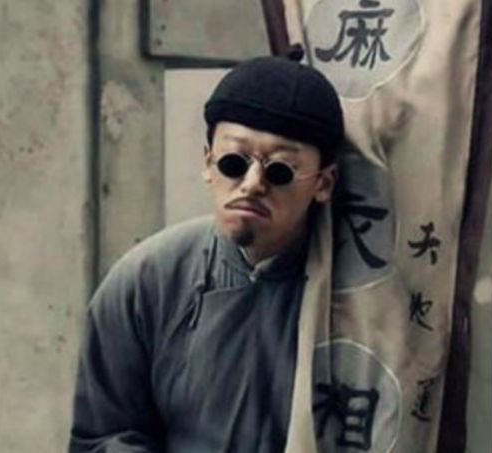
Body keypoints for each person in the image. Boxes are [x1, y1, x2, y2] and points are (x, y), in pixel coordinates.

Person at [68, 55, 344, 453]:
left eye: (280, 170)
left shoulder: (356, 293)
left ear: (323, 182)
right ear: (207, 162)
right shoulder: (146, 281)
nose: (252, 184)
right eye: (233, 163)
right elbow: (101, 436)